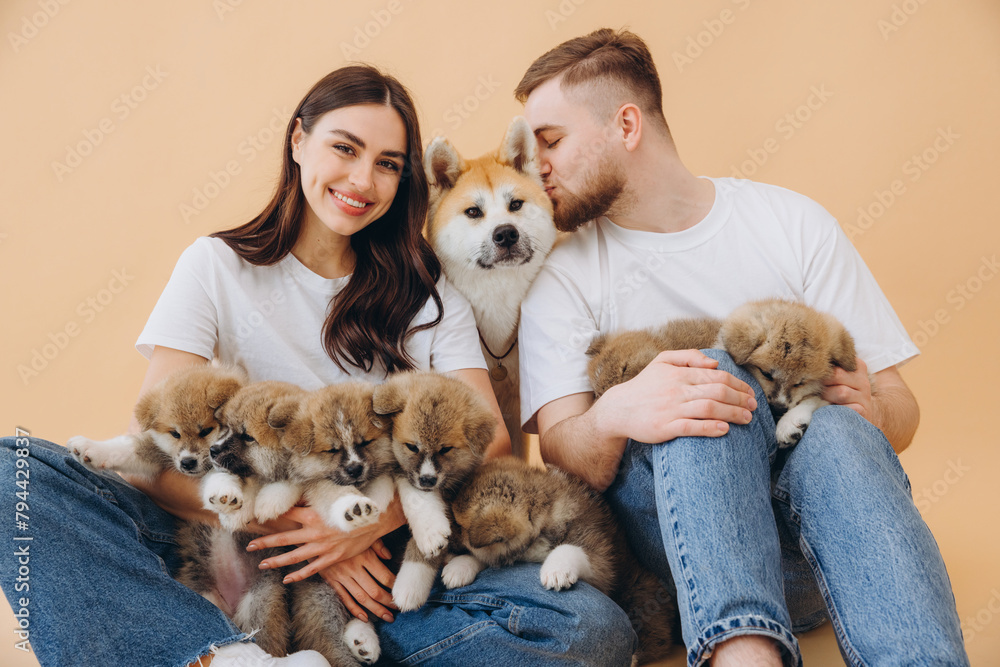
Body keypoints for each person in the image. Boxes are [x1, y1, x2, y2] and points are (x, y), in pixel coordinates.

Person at [0, 65, 636, 667]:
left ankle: (306, 650)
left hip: (383, 571)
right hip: (226, 533)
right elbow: (156, 456)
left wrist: (370, 526)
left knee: (588, 627)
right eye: (345, 148)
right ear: (298, 140)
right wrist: (306, 530)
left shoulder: (428, 292)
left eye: (388, 165)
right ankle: (216, 653)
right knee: (13, 473)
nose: (363, 180)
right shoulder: (216, 267)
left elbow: (491, 438)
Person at [516, 28, 970, 667]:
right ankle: (743, 653)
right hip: (682, 558)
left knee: (837, 431)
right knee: (706, 371)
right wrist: (620, 411)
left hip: (819, 557)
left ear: (625, 125)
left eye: (551, 141)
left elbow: (902, 410)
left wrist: (868, 405)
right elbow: (563, 449)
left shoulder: (792, 223)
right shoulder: (559, 276)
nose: (535, 165)